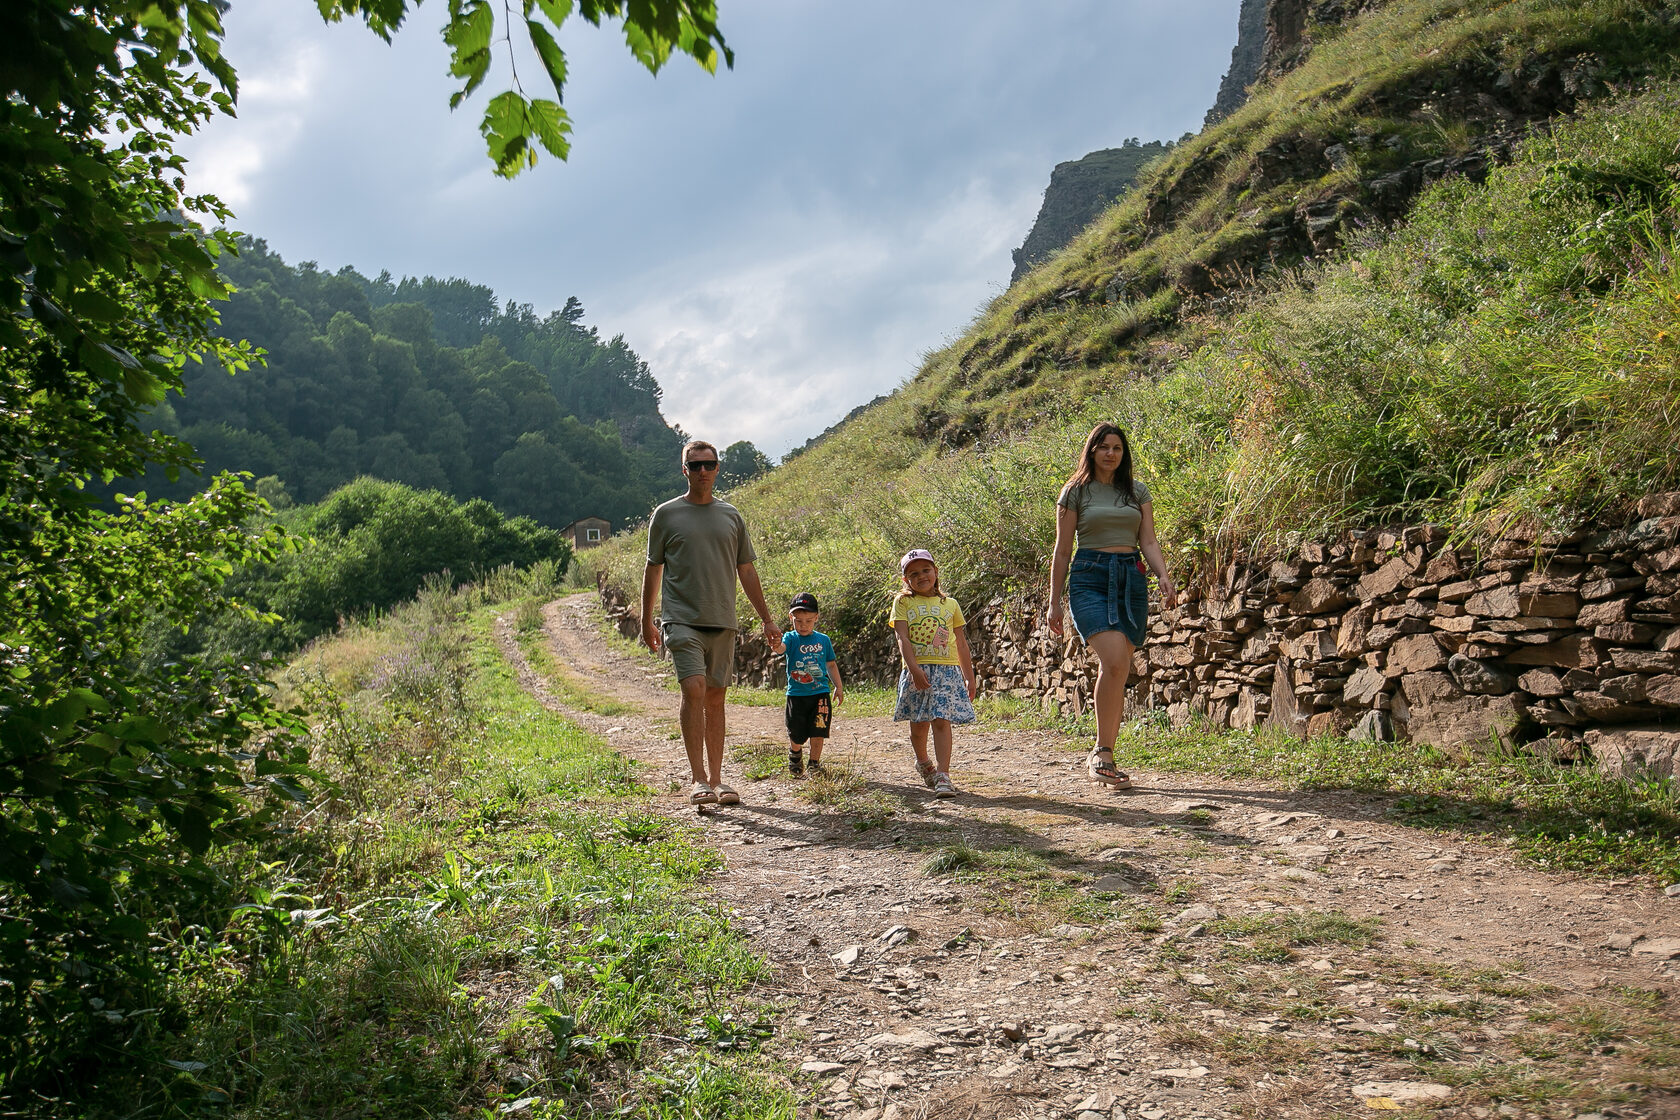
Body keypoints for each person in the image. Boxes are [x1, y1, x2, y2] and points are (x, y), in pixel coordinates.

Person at [641, 439, 781, 806]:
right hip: (681, 619)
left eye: (709, 464)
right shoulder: (666, 514)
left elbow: (746, 569)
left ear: (718, 468)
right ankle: (698, 779)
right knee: (695, 689)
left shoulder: (731, 516)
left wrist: (767, 619)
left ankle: (718, 780)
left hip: (723, 620)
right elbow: (653, 568)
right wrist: (646, 620)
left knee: (716, 698)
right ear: (684, 470)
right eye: (695, 465)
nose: (703, 471)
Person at [1047, 422, 1179, 789]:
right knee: (1115, 660)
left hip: (1130, 577)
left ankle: (1102, 751)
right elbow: (1062, 551)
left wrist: (1163, 576)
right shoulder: (1074, 492)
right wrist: (1054, 601)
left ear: (1124, 453)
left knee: (1121, 668)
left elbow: (1148, 541)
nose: (1110, 453)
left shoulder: (1136, 491)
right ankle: (1103, 753)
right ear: (1091, 451)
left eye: (1117, 448)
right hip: (1089, 576)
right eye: (1103, 447)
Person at [891, 549, 976, 799]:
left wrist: (968, 675)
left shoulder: (950, 605)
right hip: (918, 670)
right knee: (919, 726)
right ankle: (923, 762)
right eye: (913, 573)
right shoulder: (903, 602)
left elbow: (961, 642)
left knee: (941, 720)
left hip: (947, 671)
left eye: (926, 570)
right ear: (906, 580)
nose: (921, 576)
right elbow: (901, 637)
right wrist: (914, 668)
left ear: (936, 572)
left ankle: (943, 775)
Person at [781, 591, 843, 776]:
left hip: (820, 692)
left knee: (819, 729)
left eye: (808, 620)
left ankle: (814, 763)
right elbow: (780, 649)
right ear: (791, 617)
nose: (803, 625)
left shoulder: (823, 640)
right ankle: (795, 752)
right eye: (798, 620)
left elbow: (831, 664)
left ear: (816, 618)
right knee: (796, 731)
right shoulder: (790, 638)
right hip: (797, 693)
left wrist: (838, 687)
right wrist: (775, 642)